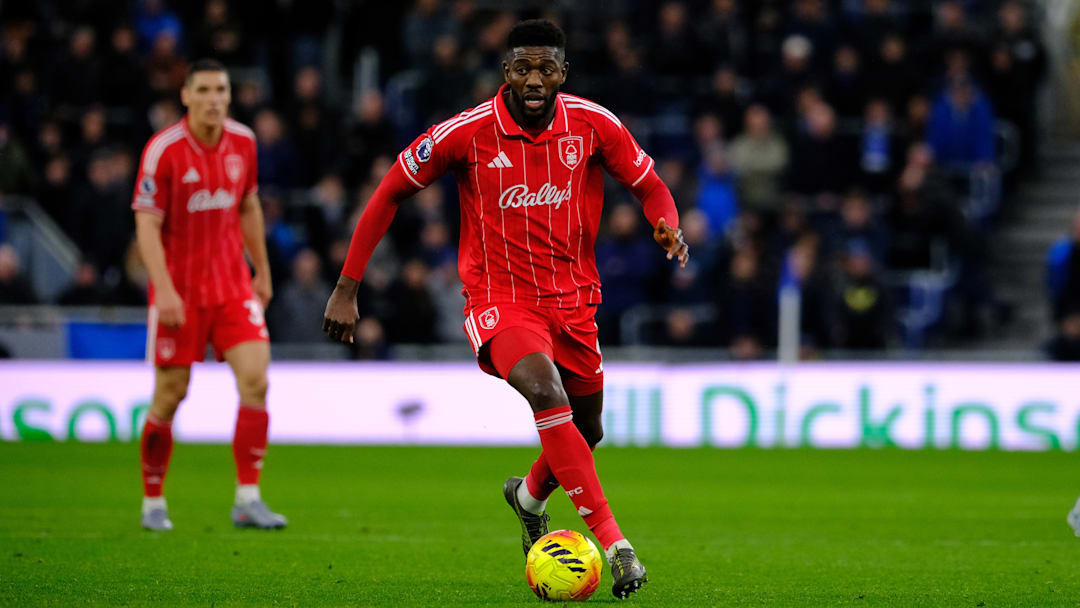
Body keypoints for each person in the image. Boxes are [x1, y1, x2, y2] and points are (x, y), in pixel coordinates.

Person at [322, 20, 688, 599]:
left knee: (587, 429)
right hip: (500, 300)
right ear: (506, 73)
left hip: (573, 301)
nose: (535, 79)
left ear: (563, 73)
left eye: (546, 68)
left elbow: (651, 185)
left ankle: (527, 497)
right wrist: (348, 285)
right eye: (523, 68)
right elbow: (389, 190)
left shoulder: (595, 125)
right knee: (548, 394)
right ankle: (618, 547)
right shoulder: (465, 133)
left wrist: (664, 223)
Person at [131, 59, 286, 532]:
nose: (214, 98)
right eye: (204, 90)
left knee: (256, 382)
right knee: (170, 394)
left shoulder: (244, 141)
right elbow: (147, 224)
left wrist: (260, 268)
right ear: (186, 96)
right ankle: (153, 501)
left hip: (231, 286)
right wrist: (164, 291)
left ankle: (247, 498)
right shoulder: (164, 151)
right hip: (180, 293)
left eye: (221, 89)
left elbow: (248, 204)